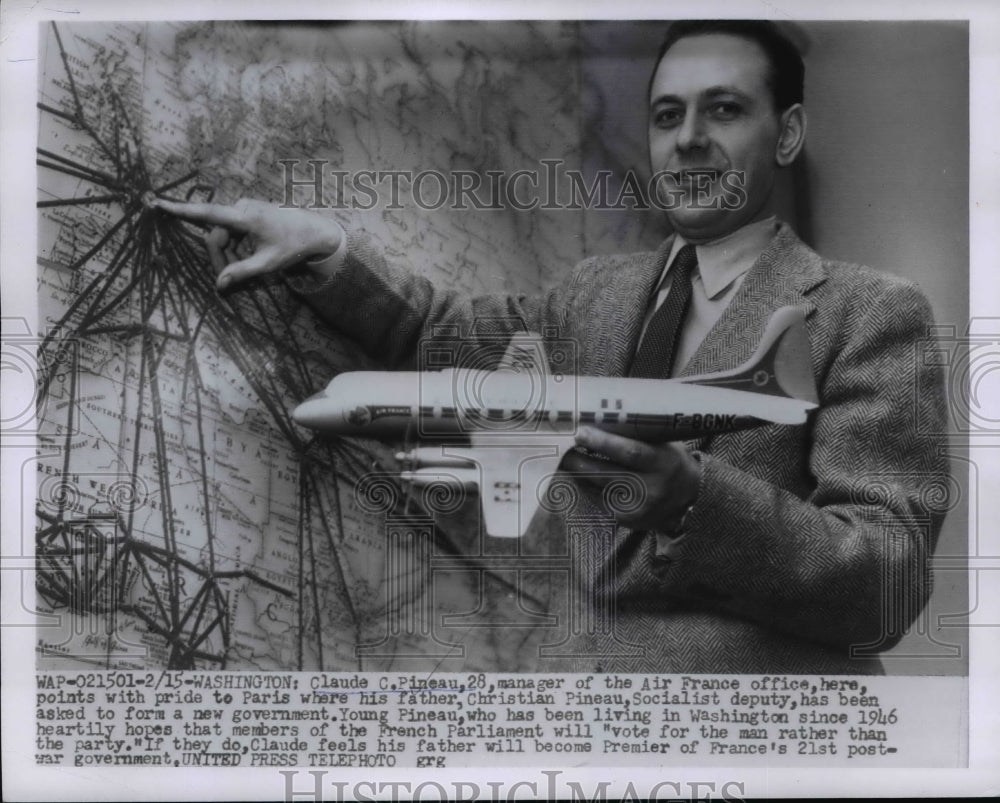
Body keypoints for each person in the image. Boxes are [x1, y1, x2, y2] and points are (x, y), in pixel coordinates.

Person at [155, 20, 948, 673]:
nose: (689, 141)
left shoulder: (869, 311)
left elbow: (888, 581)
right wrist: (323, 247)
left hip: (771, 746)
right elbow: (437, 332)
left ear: (789, 133)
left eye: (725, 110)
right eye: (668, 117)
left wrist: (698, 503)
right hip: (582, 731)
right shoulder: (592, 295)